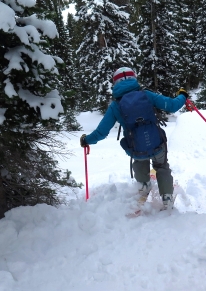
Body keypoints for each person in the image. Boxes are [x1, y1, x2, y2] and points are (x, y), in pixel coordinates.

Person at [80, 67, 188, 207]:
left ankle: (144, 185)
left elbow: (101, 132)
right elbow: (172, 106)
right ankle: (167, 198)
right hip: (157, 143)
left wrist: (86, 140)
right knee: (162, 167)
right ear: (134, 78)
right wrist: (183, 95)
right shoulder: (147, 95)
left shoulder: (115, 106)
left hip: (136, 147)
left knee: (139, 161)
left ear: (115, 83)